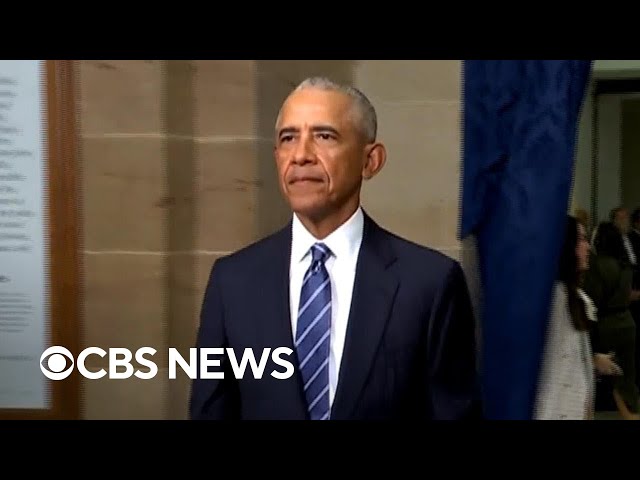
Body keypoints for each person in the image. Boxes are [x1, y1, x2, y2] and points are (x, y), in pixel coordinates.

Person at [189, 77, 481, 420]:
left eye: (324, 136)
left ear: (370, 160)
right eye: (288, 138)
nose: (300, 155)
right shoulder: (232, 281)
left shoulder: (430, 284)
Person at [534, 216, 622, 420]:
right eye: (581, 240)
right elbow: (560, 370)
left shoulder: (571, 296)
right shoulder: (555, 300)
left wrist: (592, 361)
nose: (587, 247)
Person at [583, 221, 640, 419]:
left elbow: (591, 299)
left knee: (597, 379)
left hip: (605, 326)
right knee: (626, 382)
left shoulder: (598, 266)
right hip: (627, 322)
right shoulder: (627, 266)